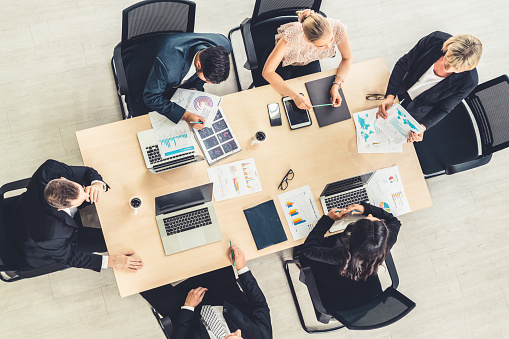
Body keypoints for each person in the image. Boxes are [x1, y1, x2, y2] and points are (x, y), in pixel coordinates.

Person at [12, 159, 144, 273]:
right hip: (41, 244)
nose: (88, 196)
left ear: (62, 179)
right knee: (113, 241)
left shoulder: (50, 169)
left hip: (25, 207)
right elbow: (68, 257)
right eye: (82, 199)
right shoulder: (50, 236)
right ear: (61, 208)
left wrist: (97, 185)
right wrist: (109, 261)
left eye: (82, 188)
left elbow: (87, 172)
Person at [140, 245, 271, 339]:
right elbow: (260, 305)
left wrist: (188, 307)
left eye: (231, 336)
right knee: (213, 246)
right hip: (224, 295)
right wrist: (242, 269)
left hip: (190, 316)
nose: (238, 332)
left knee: (142, 282)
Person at [376, 31, 482, 142]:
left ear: (467, 69)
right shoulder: (434, 40)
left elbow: (444, 108)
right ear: (448, 47)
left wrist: (422, 127)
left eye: (455, 69)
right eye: (447, 61)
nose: (447, 69)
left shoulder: (469, 82)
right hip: (400, 86)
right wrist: (390, 96)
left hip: (417, 110)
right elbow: (403, 64)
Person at [298, 202, 401, 310]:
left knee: (305, 251)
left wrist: (328, 219)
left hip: (333, 289)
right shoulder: (386, 243)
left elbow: (307, 250)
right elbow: (395, 222)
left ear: (352, 233)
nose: (370, 215)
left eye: (367, 218)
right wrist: (365, 208)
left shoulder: (340, 254)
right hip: (361, 285)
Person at [123, 33, 232, 129]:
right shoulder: (169, 67)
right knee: (148, 124)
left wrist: (194, 89)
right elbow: (151, 97)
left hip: (172, 60)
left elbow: (201, 76)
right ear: (198, 64)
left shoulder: (223, 45)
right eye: (208, 80)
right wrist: (185, 115)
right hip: (141, 74)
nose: (208, 83)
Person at [262, 9, 352, 110]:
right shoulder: (293, 35)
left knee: (316, 96)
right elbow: (267, 72)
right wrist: (295, 96)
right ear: (307, 40)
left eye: (331, 39)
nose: (329, 46)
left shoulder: (337, 27)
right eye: (322, 45)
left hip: (308, 60)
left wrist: (336, 85)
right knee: (279, 99)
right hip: (283, 62)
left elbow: (347, 58)